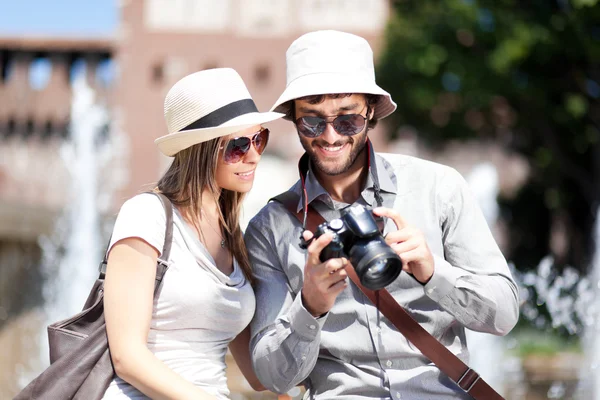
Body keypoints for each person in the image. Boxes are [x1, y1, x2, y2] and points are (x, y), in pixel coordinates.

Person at [244, 30, 520, 399]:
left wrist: (432, 271)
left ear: (370, 110)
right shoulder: (269, 226)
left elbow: (503, 315)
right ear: (293, 118)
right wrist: (309, 307)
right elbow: (270, 377)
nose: (329, 136)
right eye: (312, 121)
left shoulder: (438, 188)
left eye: (347, 120)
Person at [102, 68, 283, 399]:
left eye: (260, 139)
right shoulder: (147, 215)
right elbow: (126, 357)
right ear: (202, 149)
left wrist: (315, 305)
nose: (254, 155)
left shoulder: (233, 238)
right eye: (238, 145)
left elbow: (258, 375)